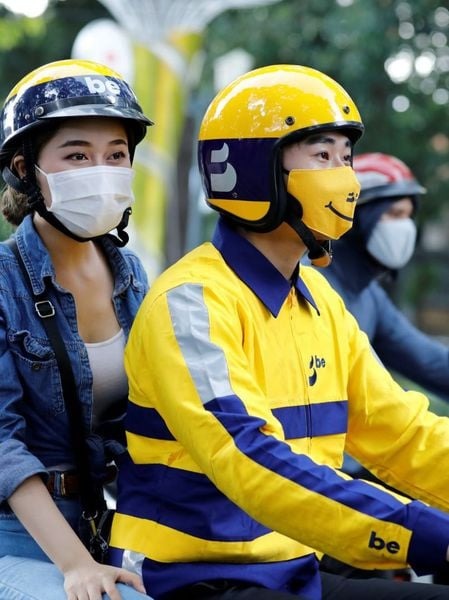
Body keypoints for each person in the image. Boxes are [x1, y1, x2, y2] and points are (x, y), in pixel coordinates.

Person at [109, 64, 449, 600]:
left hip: (291, 571)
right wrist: (427, 534)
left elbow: (403, 433)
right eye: (322, 156)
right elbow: (249, 457)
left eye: (346, 158)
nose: (346, 179)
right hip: (192, 578)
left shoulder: (320, 299)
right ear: (253, 171)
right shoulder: (192, 302)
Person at [0, 59, 155, 600]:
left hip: (109, 527)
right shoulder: (3, 281)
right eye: (77, 155)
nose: (102, 170)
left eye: (116, 154)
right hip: (17, 537)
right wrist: (75, 565)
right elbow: (2, 441)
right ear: (25, 169)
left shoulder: (130, 273)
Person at [320, 151, 449, 403]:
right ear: (356, 218)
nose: (405, 227)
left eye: (408, 216)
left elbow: (428, 361)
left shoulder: (368, 294)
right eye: (394, 214)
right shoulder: (314, 285)